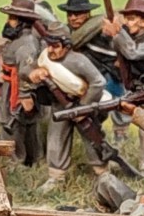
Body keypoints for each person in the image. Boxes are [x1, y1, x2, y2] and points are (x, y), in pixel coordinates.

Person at [31, 23, 117, 195]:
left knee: (92, 138)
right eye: (49, 45)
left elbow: (98, 82)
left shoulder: (78, 60)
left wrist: (83, 108)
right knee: (56, 138)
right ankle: (56, 177)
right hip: (60, 104)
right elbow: (29, 69)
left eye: (55, 46)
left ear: (66, 45)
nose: (51, 50)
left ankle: (102, 173)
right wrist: (33, 73)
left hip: (83, 105)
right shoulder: (45, 58)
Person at [101, 0, 144, 172]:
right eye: (126, 18)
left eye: (131, 19)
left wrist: (118, 32)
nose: (126, 23)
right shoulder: (135, 38)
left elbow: (132, 52)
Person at [0, 0, 44, 167]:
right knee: (24, 126)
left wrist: (25, 95)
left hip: (17, 92)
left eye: (12, 18)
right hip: (11, 87)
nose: (8, 22)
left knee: (15, 126)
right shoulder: (18, 41)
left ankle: (16, 163)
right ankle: (31, 160)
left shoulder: (25, 45)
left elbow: (26, 71)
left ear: (21, 22)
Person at [59, 0, 123, 98]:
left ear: (87, 13)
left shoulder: (98, 30)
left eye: (77, 14)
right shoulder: (68, 31)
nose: (72, 18)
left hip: (108, 77)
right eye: (69, 14)